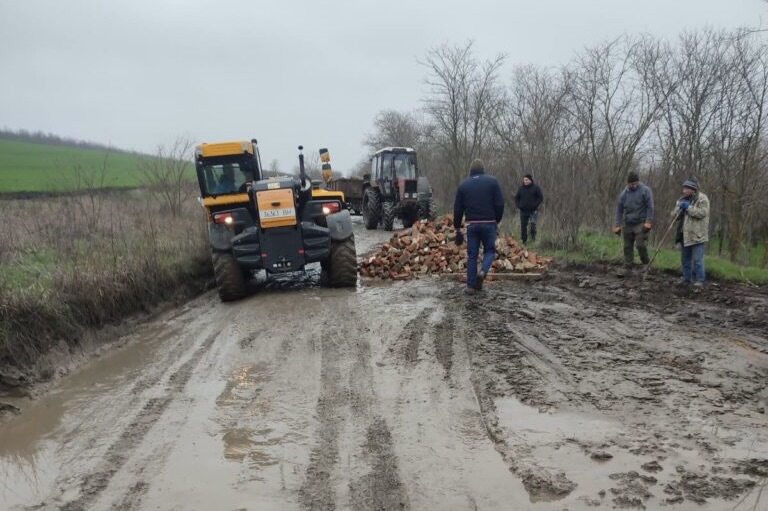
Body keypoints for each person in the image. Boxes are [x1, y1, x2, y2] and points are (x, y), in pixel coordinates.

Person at [453, 159, 505, 294]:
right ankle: (482, 272)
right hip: (489, 223)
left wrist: (457, 227)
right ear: (483, 169)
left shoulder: (463, 185)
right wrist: (497, 219)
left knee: (472, 255)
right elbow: (500, 203)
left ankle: (470, 286)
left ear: (471, 170)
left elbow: (458, 209)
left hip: (472, 224)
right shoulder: (493, 182)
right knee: (489, 251)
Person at [613, 171, 654, 277]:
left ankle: (646, 264)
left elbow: (650, 207)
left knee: (640, 245)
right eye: (632, 184)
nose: (634, 186)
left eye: (636, 183)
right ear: (628, 184)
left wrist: (648, 221)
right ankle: (628, 267)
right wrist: (617, 224)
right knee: (627, 246)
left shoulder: (645, 191)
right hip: (628, 223)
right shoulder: (624, 194)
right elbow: (619, 210)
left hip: (641, 222)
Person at [673, 178, 710, 288]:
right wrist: (679, 208)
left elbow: (702, 213)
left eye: (686, 188)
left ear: (693, 189)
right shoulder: (682, 199)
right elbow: (674, 216)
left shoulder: (702, 199)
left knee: (698, 259)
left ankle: (700, 280)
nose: (684, 191)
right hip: (684, 234)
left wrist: (688, 207)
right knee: (685, 259)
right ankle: (686, 278)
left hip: (697, 234)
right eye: (684, 188)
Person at [514, 173, 544, 244]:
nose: (525, 181)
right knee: (523, 226)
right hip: (523, 210)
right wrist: (518, 205)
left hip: (533, 210)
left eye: (527, 180)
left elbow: (540, 198)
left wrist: (535, 205)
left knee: (533, 225)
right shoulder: (521, 188)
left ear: (530, 180)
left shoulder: (535, 188)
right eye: (524, 180)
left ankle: (533, 238)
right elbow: (516, 198)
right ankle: (524, 240)